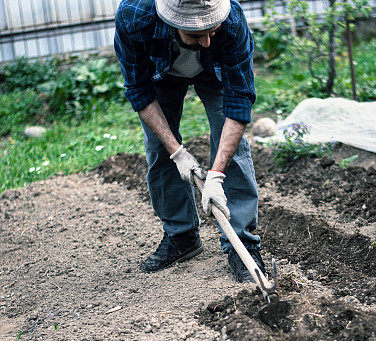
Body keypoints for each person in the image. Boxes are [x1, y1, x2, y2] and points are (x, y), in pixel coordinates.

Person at [113, 0, 265, 282]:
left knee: (233, 149)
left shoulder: (231, 21)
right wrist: (177, 152)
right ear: (172, 21)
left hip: (215, 71)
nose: (207, 41)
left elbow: (239, 102)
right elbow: (138, 90)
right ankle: (181, 237)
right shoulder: (135, 16)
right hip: (160, 72)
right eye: (196, 34)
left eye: (212, 30)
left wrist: (216, 175)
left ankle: (241, 243)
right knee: (160, 151)